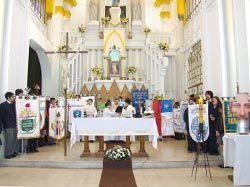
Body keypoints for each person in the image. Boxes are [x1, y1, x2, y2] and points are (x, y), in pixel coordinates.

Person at [0, 92, 17, 159]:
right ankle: (7, 153)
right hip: (7, 125)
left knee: (14, 140)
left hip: (14, 125)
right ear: (8, 97)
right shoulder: (3, 105)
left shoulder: (14, 104)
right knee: (9, 140)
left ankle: (12, 152)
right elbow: (1, 117)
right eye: (13, 97)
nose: (14, 98)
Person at [15, 89, 24, 154]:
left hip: (22, 120)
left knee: (21, 135)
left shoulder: (22, 100)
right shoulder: (15, 101)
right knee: (16, 137)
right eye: (21, 93)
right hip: (16, 121)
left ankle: (21, 149)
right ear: (18, 94)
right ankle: (16, 150)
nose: (22, 95)